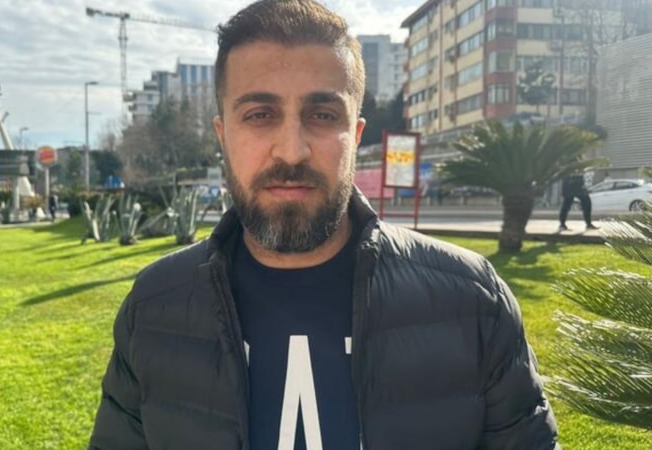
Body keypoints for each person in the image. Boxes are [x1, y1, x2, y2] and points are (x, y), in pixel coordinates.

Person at [89, 1, 559, 449]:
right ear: (223, 135)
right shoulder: (153, 308)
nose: (291, 151)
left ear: (355, 135)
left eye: (321, 115)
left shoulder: (472, 302)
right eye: (259, 115)